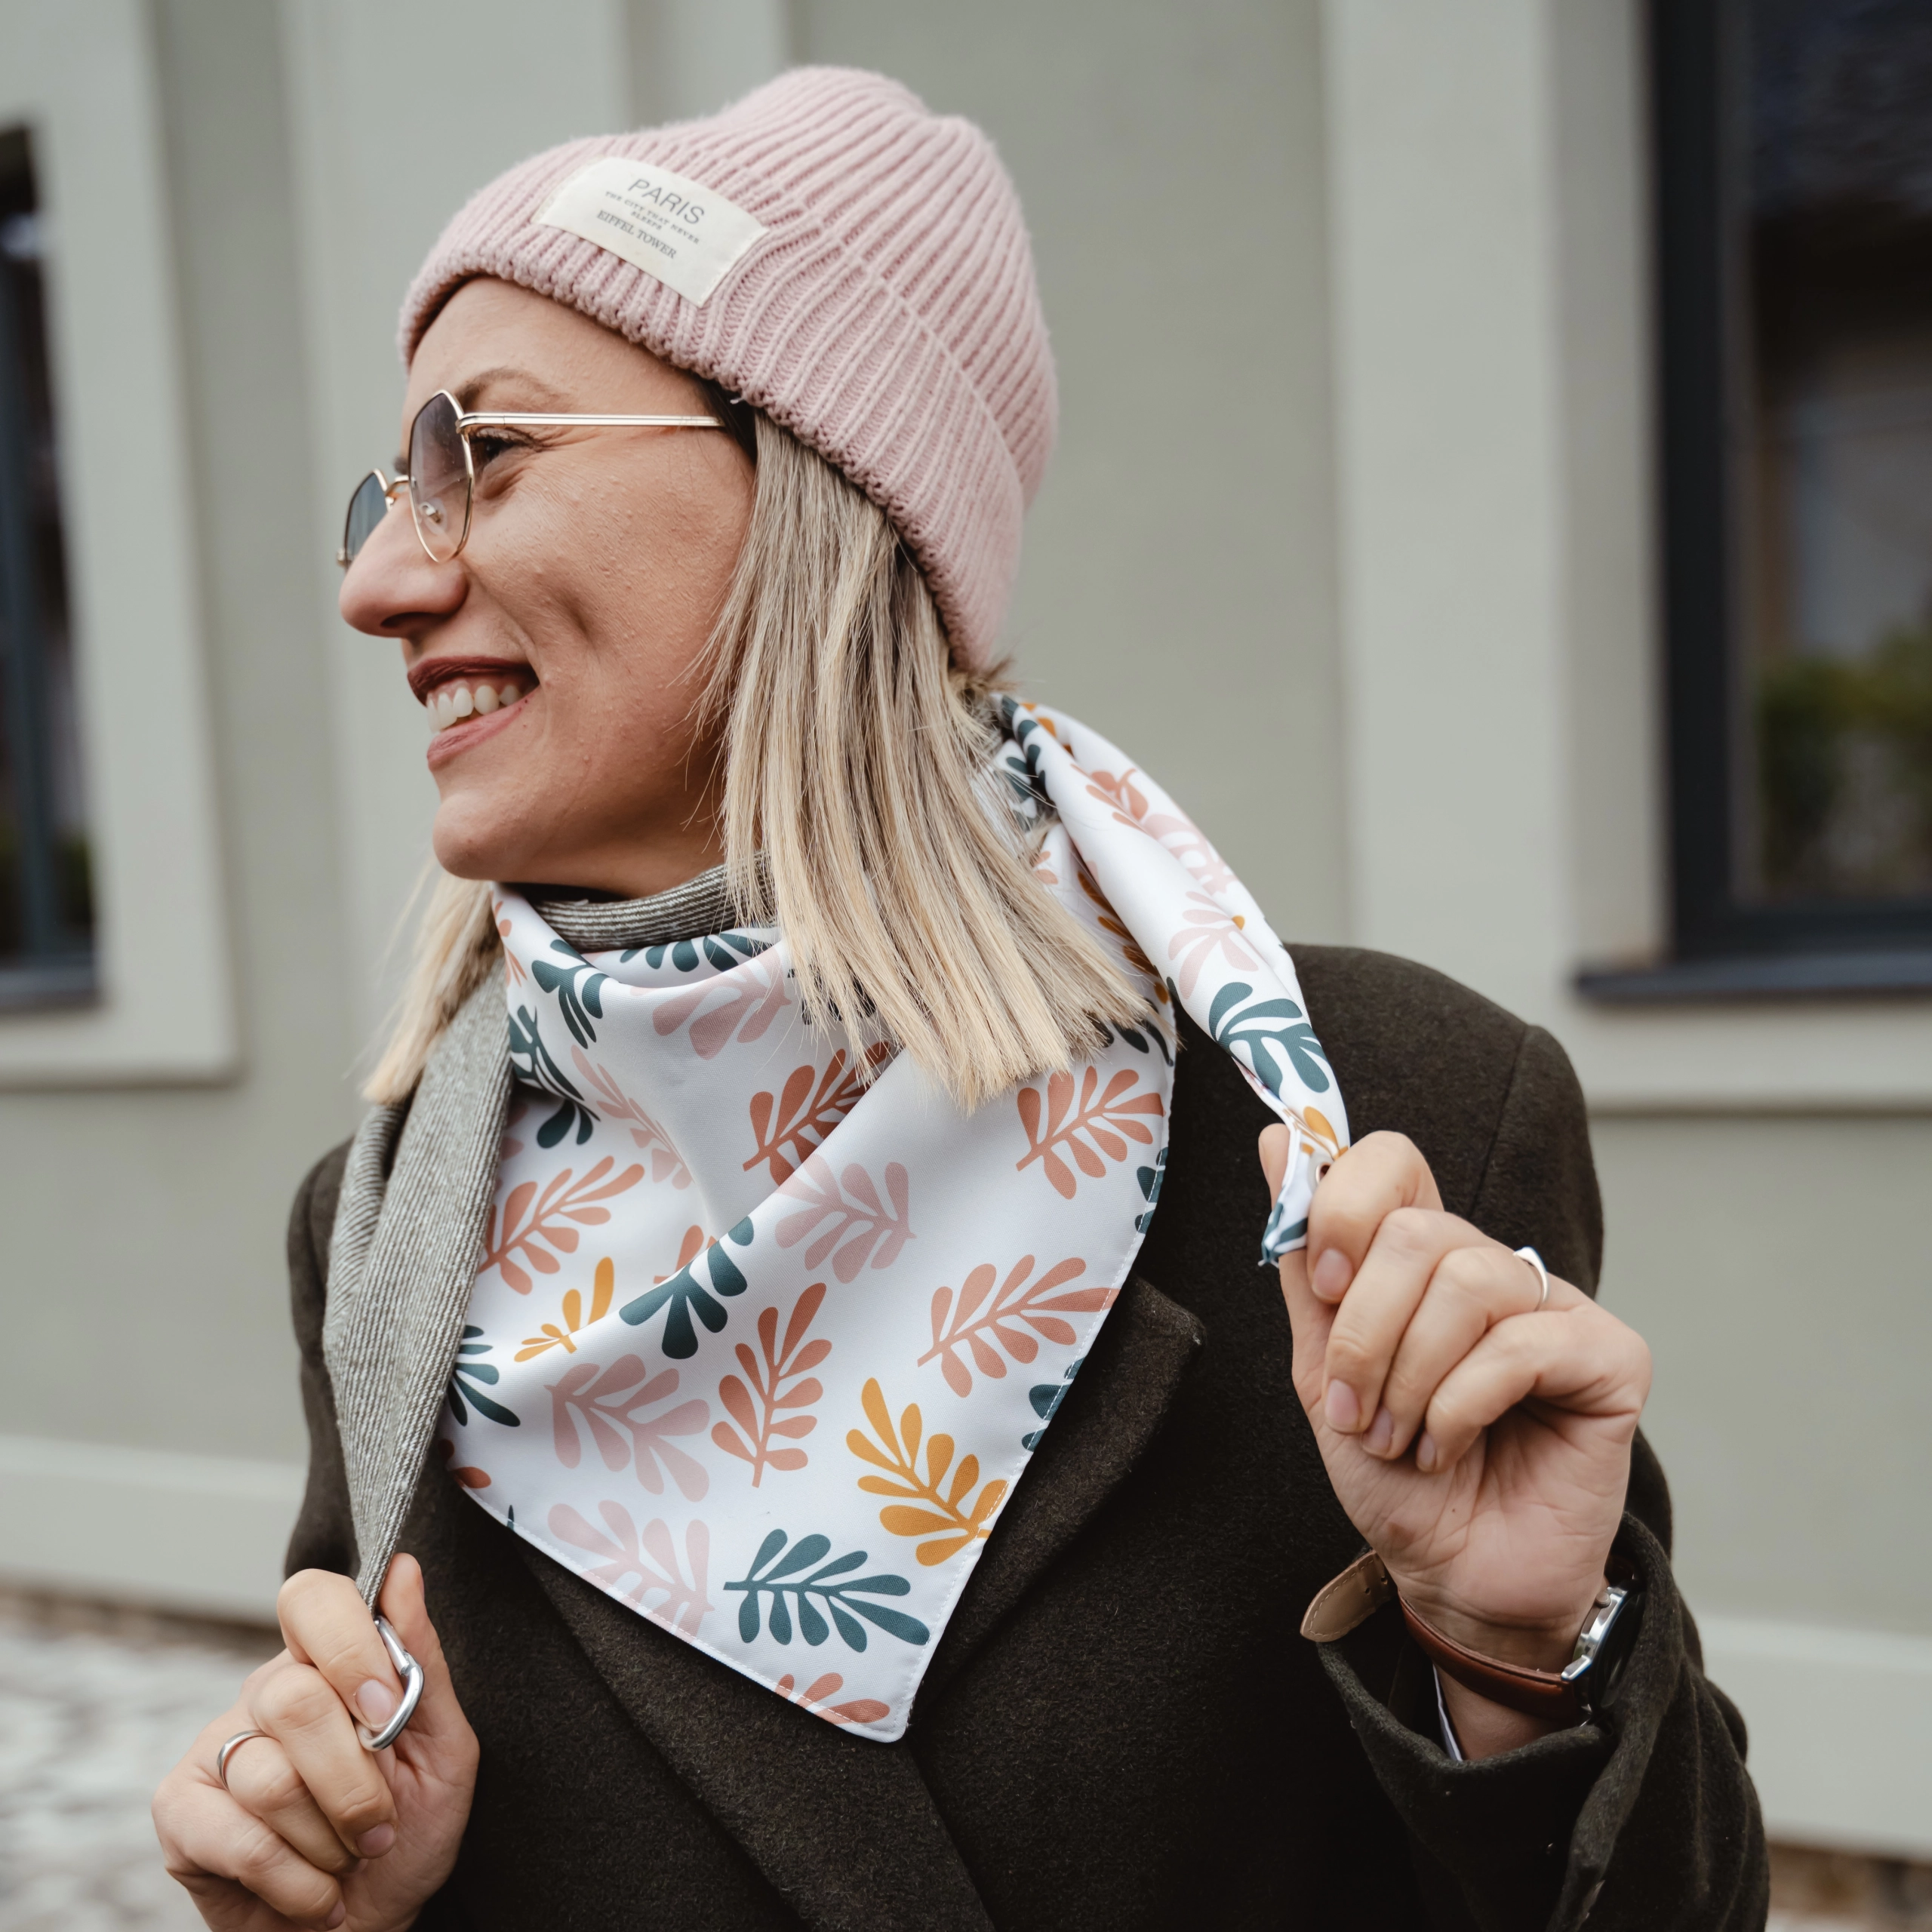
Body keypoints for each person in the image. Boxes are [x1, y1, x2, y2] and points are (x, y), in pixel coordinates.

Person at [152, 67, 1768, 1932]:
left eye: (485, 451)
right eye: (385, 489)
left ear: (814, 489)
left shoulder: (1372, 1119)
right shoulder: (387, 1241)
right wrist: (358, 1900)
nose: (376, 579)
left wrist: (1517, 1659)